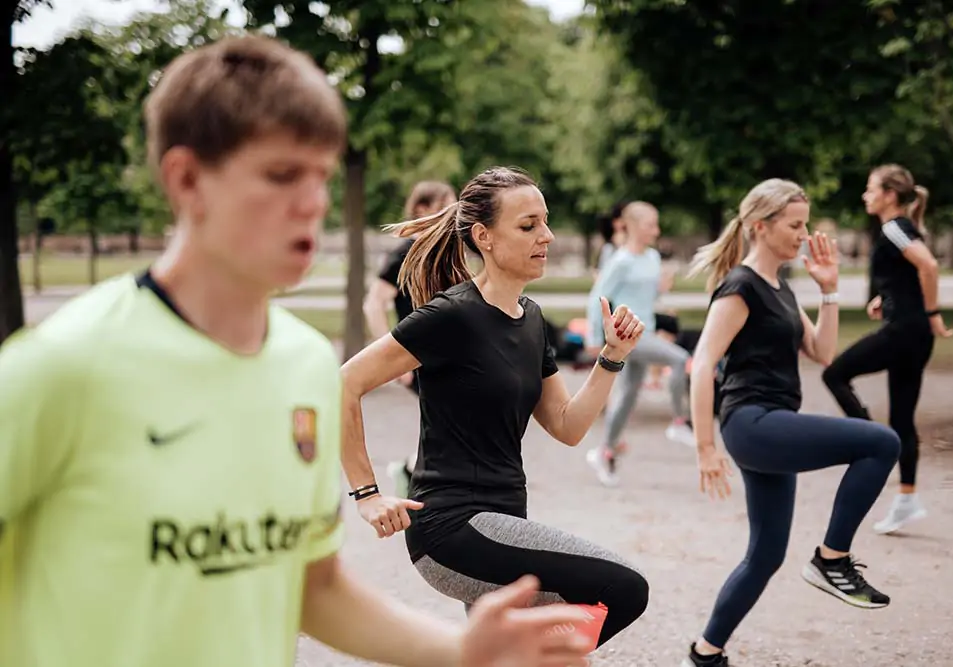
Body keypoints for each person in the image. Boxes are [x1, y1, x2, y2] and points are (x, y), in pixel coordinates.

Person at [0, 36, 598, 667]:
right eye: (282, 175)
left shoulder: (305, 365)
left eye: (320, 175)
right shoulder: (61, 367)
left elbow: (315, 590)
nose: (313, 202)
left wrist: (463, 649)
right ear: (186, 180)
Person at [339, 166, 651, 653]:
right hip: (451, 530)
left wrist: (611, 357)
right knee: (624, 590)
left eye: (545, 222)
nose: (546, 235)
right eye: (528, 226)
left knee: (546, 656)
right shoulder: (451, 316)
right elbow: (344, 384)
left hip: (506, 524)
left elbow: (567, 427)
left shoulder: (532, 319)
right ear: (484, 237)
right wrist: (366, 495)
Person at [680, 179, 901, 667]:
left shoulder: (779, 288)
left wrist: (829, 290)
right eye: (795, 224)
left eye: (806, 224)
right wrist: (705, 447)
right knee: (881, 443)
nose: (805, 234)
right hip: (751, 422)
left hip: (774, 423)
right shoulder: (740, 287)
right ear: (761, 226)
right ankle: (832, 559)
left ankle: (704, 654)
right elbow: (702, 365)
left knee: (765, 556)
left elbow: (822, 352)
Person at [822, 164, 952, 535]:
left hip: (906, 331)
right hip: (912, 331)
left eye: (871, 188)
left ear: (889, 195)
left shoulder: (894, 227)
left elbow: (928, 265)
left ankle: (866, 440)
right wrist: (887, 298)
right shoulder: (902, 228)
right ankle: (907, 499)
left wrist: (933, 313)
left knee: (835, 373)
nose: (866, 195)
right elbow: (909, 274)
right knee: (902, 418)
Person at [584, 201, 696, 487]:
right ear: (632, 226)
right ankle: (681, 422)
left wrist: (660, 290)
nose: (656, 231)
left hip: (645, 330)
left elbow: (646, 295)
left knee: (628, 397)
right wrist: (596, 338)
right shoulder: (620, 261)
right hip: (628, 335)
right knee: (680, 358)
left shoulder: (653, 258)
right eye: (650, 225)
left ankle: (605, 452)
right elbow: (598, 297)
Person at [364, 180, 457, 497]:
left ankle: (414, 471)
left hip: (443, 354)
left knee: (449, 425)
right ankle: (411, 473)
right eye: (446, 203)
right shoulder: (405, 253)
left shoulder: (441, 252)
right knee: (447, 423)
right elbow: (374, 303)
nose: (453, 211)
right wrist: (393, 362)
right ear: (421, 209)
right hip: (418, 357)